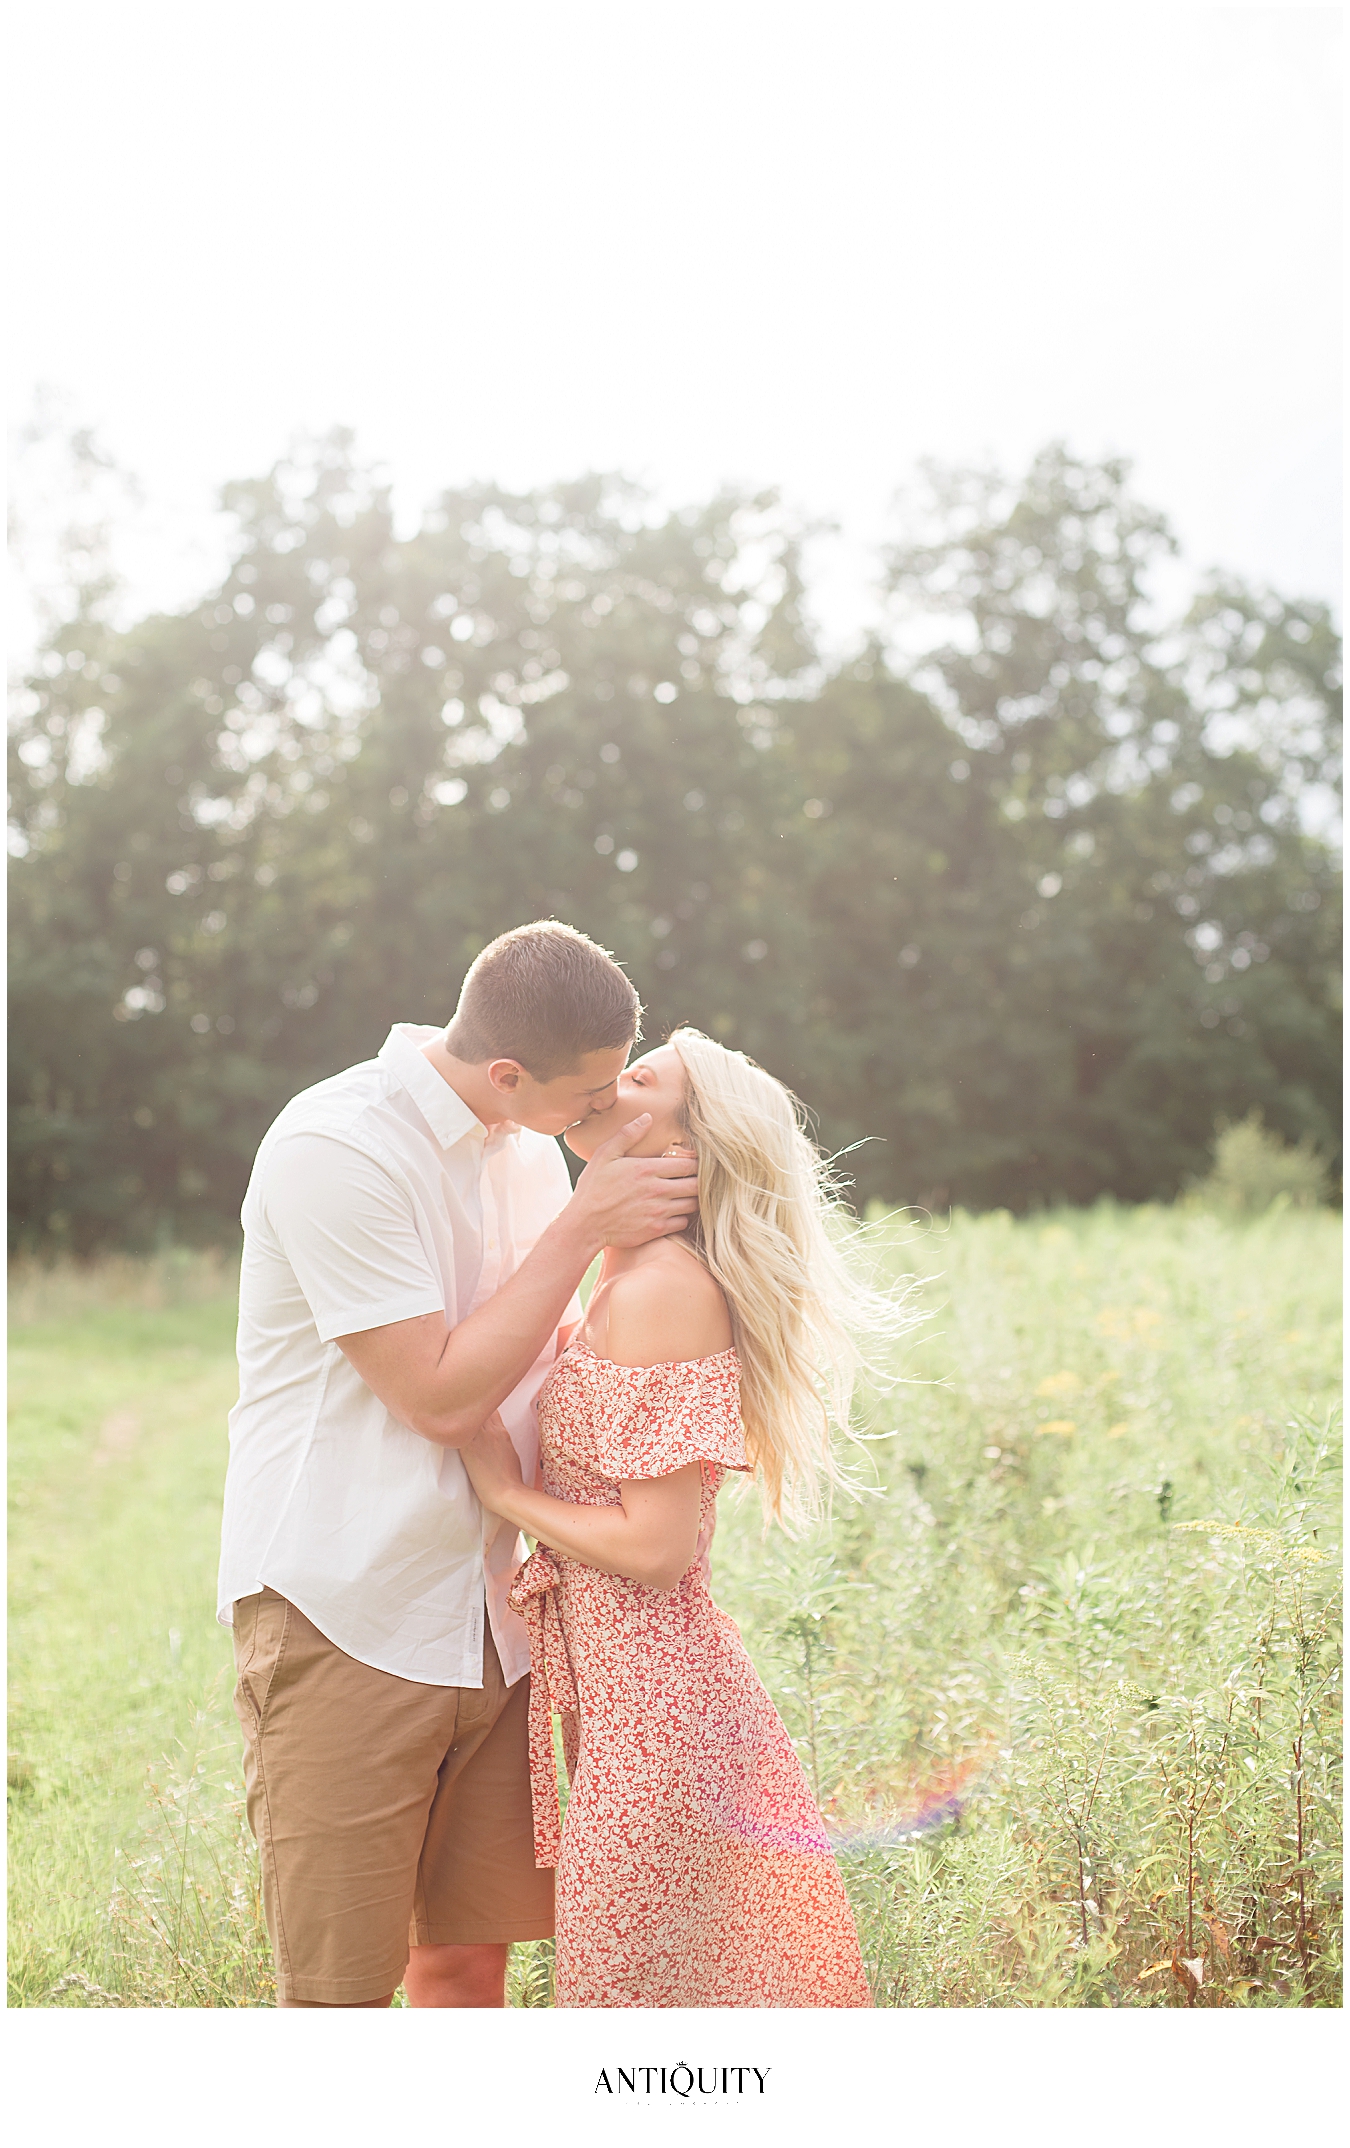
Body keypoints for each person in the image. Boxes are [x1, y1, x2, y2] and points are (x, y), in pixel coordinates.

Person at [217, 921, 698, 2008]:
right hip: (349, 1607)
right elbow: (437, 1393)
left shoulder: (529, 1151)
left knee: (469, 1956)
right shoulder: (335, 1148)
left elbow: (553, 1352)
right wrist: (582, 1230)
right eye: (586, 1099)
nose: (598, 1120)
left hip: (495, 1615)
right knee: (339, 1990)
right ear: (509, 1074)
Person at [461, 1025, 898, 2007]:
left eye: (639, 1077)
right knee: (667, 1995)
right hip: (629, 1708)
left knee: (628, 2004)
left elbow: (656, 1550)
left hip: (659, 1716)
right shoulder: (622, 1270)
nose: (606, 1085)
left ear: (685, 1150)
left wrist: (506, 1498)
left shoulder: (661, 1291)